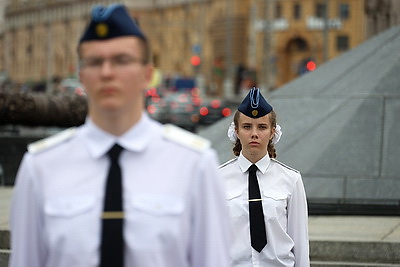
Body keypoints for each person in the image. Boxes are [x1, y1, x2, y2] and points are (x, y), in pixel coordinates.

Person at [9, 4, 231, 267]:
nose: (107, 72)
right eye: (95, 62)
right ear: (81, 75)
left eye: (121, 60)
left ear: (147, 74)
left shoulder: (194, 164)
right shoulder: (41, 167)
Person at [219, 87, 310, 266]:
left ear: (272, 132)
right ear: (236, 131)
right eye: (246, 126)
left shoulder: (291, 180)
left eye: (262, 127)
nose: (254, 133)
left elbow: (300, 242)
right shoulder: (217, 179)